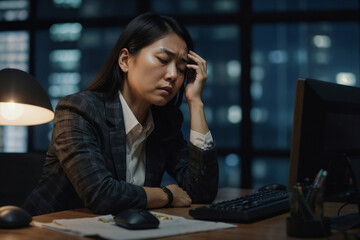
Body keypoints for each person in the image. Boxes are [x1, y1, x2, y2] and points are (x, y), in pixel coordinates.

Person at [23, 12, 218, 216]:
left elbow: (201, 192)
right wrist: (167, 195)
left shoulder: (164, 122)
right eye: (162, 60)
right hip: (46, 231)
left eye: (180, 69)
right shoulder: (78, 110)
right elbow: (100, 193)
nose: (172, 76)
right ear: (125, 60)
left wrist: (195, 102)